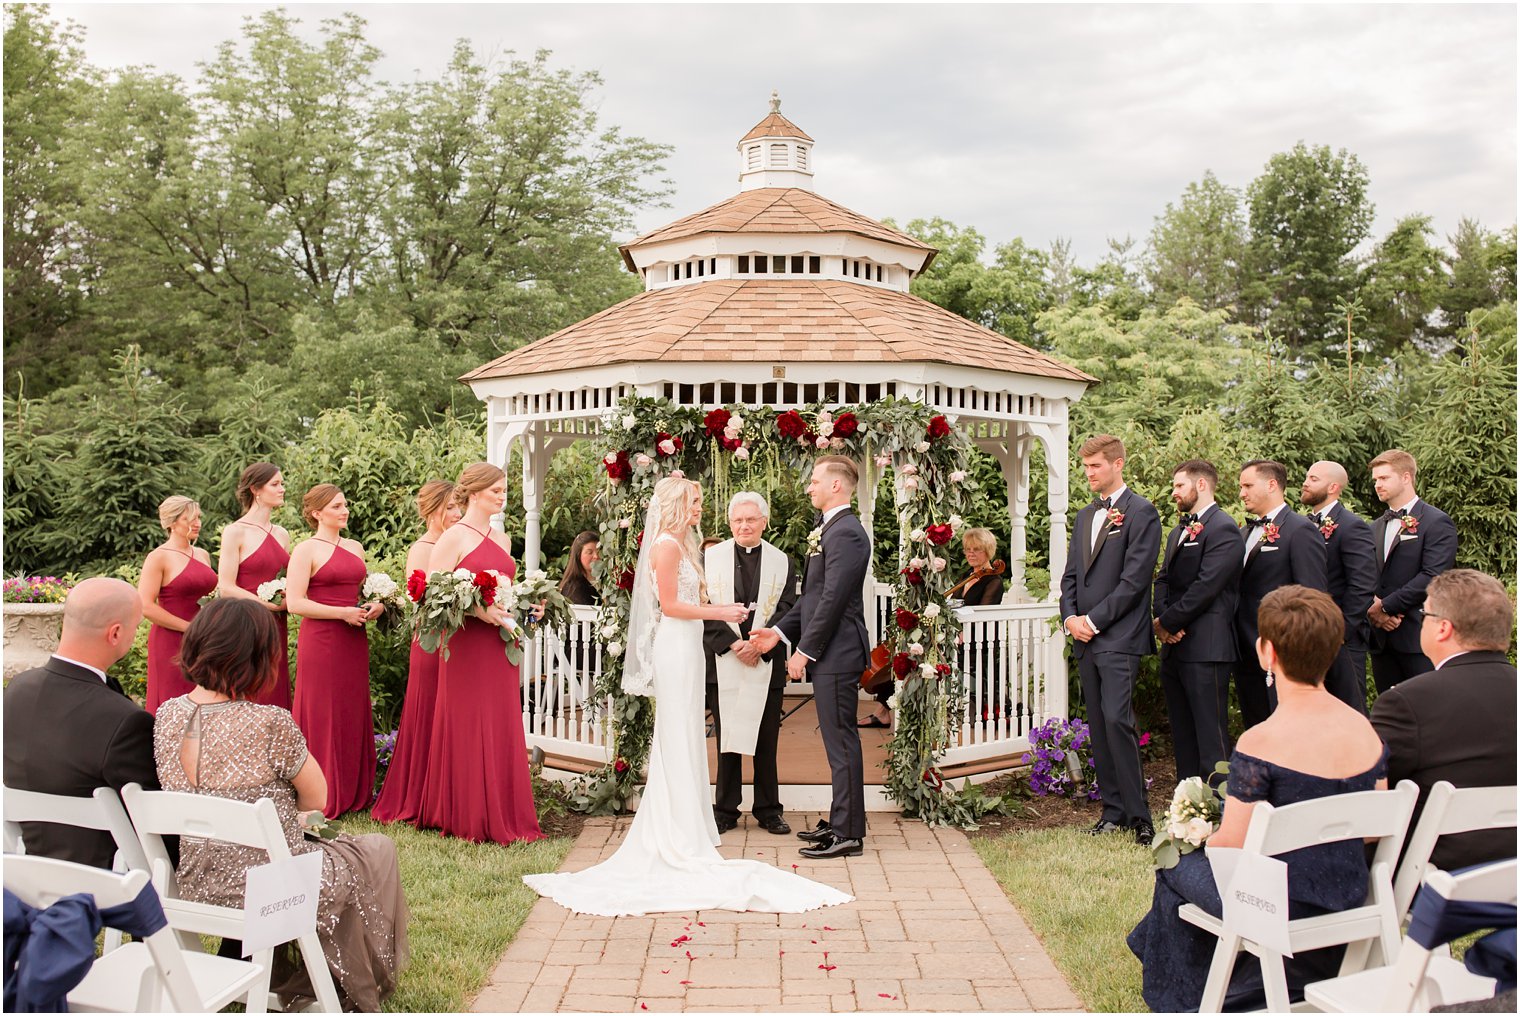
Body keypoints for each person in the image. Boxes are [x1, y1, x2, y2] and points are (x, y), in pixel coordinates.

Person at [524, 476, 850, 914]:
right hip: (682, 646)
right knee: (678, 732)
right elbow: (671, 606)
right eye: (695, 502)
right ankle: (677, 828)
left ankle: (690, 823)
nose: (701, 509)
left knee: (690, 735)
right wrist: (724, 616)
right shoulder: (666, 546)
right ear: (677, 504)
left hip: (694, 648)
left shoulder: (690, 545)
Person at [1128, 585, 1390, 1012]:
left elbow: (1230, 849)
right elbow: (1371, 833)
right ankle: (1228, 982)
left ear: (1266, 652)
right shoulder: (1366, 730)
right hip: (1347, 889)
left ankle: (1184, 999)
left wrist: (1200, 835)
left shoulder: (1261, 741)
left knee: (1174, 864)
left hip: (1278, 903)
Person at [153, 598, 408, 1011]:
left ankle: (247, 963)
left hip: (198, 883)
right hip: (269, 888)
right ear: (255, 656)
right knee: (374, 851)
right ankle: (336, 983)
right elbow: (317, 799)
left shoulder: (165, 715)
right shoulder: (270, 722)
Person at [752, 456, 875, 859]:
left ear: (836, 486)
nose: (810, 487)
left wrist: (803, 651)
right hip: (831, 652)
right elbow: (811, 598)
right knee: (837, 741)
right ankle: (844, 820)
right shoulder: (830, 529)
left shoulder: (847, 533)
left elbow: (833, 601)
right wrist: (778, 631)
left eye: (816, 481)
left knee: (841, 742)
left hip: (838, 653)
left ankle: (849, 832)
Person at [418, 463, 543, 846]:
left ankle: (503, 810)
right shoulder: (452, 538)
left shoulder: (502, 539)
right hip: (466, 645)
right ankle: (466, 812)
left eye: (504, 490)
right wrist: (476, 611)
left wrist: (527, 603)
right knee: (469, 721)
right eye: (495, 491)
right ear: (473, 494)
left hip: (500, 645)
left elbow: (505, 587)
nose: (502, 496)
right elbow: (430, 595)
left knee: (501, 721)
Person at [3, 578, 156, 869]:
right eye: (135, 628)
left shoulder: (16, 690)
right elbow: (152, 825)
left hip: (28, 869)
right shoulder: (125, 720)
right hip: (103, 881)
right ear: (115, 633)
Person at [1371, 569, 1517, 872]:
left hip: (1439, 878)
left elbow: (1372, 793)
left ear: (1443, 629)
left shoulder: (1406, 703)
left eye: (1425, 614)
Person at [1059, 435, 1162, 843]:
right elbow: (1070, 576)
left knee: (1119, 721)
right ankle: (1113, 812)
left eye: (1095, 466)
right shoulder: (1085, 516)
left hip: (1118, 636)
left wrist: (1093, 620)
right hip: (1084, 637)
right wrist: (1070, 618)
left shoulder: (1143, 513)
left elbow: (1135, 581)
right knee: (1099, 726)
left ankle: (1141, 818)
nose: (1088, 474)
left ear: (1118, 464)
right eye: (1085, 467)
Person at [701, 491, 799, 835]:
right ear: (730, 524)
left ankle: (769, 810)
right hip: (724, 657)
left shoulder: (782, 560)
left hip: (765, 659)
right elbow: (703, 608)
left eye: (751, 519)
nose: (744, 525)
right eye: (738, 520)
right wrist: (733, 644)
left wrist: (761, 645)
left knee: (766, 739)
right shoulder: (710, 558)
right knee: (726, 737)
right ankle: (725, 809)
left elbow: (788, 608)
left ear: (764, 522)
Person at [287, 484, 384, 819]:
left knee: (351, 707)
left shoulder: (354, 547)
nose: (344, 511)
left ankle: (355, 789)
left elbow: (365, 588)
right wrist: (341, 613)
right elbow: (295, 602)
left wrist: (377, 605)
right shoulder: (305, 550)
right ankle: (319, 792)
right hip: (322, 638)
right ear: (317, 513)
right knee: (322, 711)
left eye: (345, 505)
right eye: (337, 506)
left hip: (353, 639)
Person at [372, 480, 459, 825]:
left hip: (456, 642)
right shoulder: (422, 549)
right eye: (450, 507)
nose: (456, 513)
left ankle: (447, 791)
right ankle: (421, 794)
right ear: (432, 509)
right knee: (429, 713)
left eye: (458, 507)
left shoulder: (456, 543)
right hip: (431, 640)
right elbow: (419, 601)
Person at [1152, 459, 1243, 784]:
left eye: (1179, 486)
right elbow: (1162, 579)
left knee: (1211, 736)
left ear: (1201, 485)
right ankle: (1187, 806)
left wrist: (1168, 623)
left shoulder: (1224, 529)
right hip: (1175, 649)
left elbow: (1207, 586)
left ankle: (1220, 809)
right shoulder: (1179, 529)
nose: (1173, 492)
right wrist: (1160, 618)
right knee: (1183, 734)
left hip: (1207, 648)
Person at [1233, 459, 1327, 728]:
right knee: (1256, 724)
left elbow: (1312, 595)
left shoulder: (1300, 530)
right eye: (1241, 487)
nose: (1242, 493)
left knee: (1289, 726)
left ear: (1272, 484)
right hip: (1244, 648)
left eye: (1248, 485)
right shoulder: (1244, 532)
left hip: (1283, 649)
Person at [1366, 449, 1459, 694]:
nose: (1377, 485)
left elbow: (1433, 576)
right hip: (1381, 640)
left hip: (1418, 637)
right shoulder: (1375, 527)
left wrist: (1386, 607)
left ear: (1406, 478)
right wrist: (1373, 609)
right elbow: (1364, 575)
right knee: (1392, 714)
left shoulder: (1436, 522)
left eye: (1384, 478)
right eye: (1375, 480)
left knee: (1429, 712)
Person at [1300, 460, 1376, 713]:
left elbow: (1362, 585)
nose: (1305, 483)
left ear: (1333, 487)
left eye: (1313, 479)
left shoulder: (1352, 526)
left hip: (1343, 639)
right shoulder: (1302, 525)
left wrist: (1338, 631)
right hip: (1309, 637)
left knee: (1349, 709)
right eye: (1307, 478)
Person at [216, 462, 294, 709]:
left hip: (278, 624)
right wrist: (265, 605)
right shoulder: (235, 532)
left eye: (281, 483)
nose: (282, 489)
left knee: (275, 689)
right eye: (275, 484)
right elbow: (225, 587)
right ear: (255, 489)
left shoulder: (282, 534)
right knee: (250, 688)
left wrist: (285, 598)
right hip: (247, 623)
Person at [140, 495, 218, 714]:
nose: (197, 524)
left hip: (205, 640)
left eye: (199, 518)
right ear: (172, 523)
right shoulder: (158, 557)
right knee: (174, 702)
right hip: (171, 641)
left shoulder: (202, 554)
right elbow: (146, 605)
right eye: (189, 519)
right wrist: (189, 627)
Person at [558, 530, 601, 606]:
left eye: (598, 552)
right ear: (578, 556)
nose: (596, 556)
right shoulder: (574, 588)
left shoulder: (606, 580)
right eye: (589, 552)